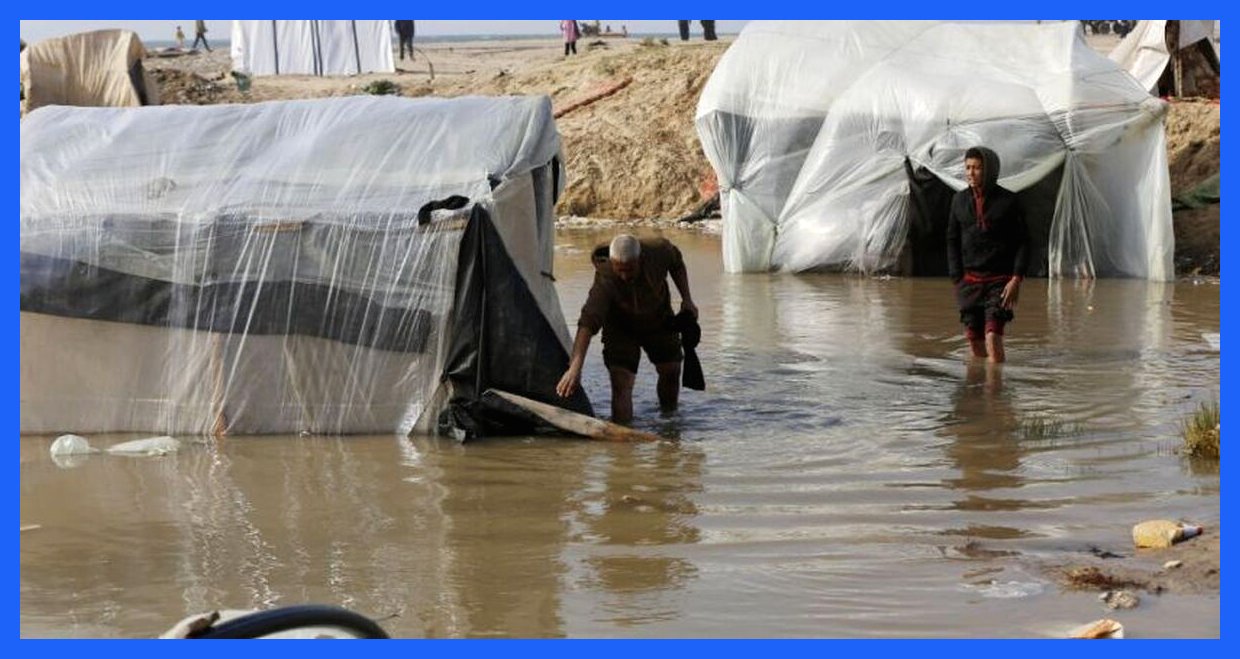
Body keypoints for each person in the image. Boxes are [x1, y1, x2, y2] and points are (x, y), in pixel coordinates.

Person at [557, 235, 698, 423]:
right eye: (619, 270)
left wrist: (687, 299)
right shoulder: (605, 281)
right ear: (613, 263)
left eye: (630, 270)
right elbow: (587, 324)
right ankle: (623, 442)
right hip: (620, 328)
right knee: (621, 383)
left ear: (640, 260)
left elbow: (677, 263)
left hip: (658, 317)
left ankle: (669, 422)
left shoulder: (659, 250)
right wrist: (575, 368)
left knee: (671, 370)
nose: (624, 276)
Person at [946, 147, 1029, 364]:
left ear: (989, 171)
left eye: (977, 168)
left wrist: (1016, 279)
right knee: (974, 341)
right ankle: (980, 389)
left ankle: (996, 393)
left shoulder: (1008, 201)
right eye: (968, 168)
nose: (971, 173)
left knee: (993, 337)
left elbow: (1023, 242)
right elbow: (952, 240)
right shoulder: (958, 201)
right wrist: (957, 279)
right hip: (969, 281)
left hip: (999, 281)